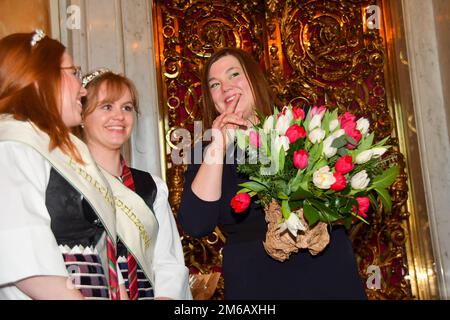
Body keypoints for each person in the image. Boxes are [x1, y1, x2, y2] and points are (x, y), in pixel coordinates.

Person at [177, 47, 367, 299]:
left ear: (254, 80)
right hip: (256, 281)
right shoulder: (205, 151)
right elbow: (196, 223)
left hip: (326, 271)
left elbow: (348, 199)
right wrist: (219, 145)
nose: (225, 88)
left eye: (234, 74)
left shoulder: (301, 128)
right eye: (214, 84)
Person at [0, 31, 121, 299]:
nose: (83, 89)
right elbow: (29, 263)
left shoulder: (63, 149)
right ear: (40, 78)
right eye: (73, 73)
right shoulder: (12, 147)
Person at [79, 69, 192, 300]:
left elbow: (167, 261)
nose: (119, 116)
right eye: (107, 106)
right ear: (81, 115)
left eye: (127, 107)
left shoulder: (151, 187)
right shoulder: (67, 183)